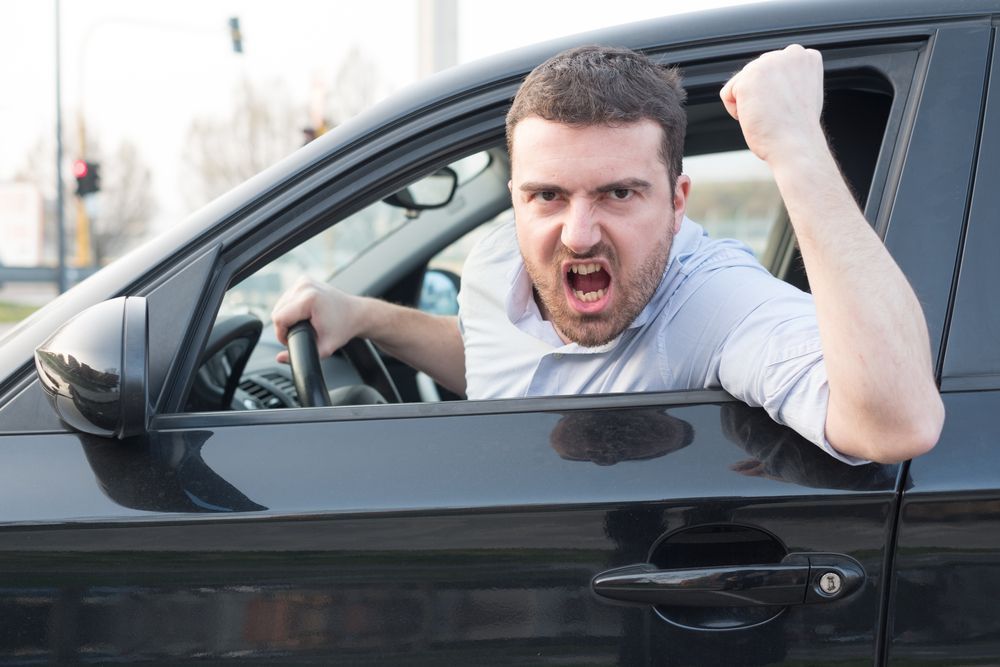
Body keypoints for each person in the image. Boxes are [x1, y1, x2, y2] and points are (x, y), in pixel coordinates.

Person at [271, 44, 943, 464]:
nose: (579, 233)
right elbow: (494, 351)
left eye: (619, 193)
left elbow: (899, 423)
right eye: (547, 196)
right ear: (515, 197)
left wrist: (795, 146)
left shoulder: (716, 303)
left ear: (679, 202)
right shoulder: (494, 262)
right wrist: (362, 315)